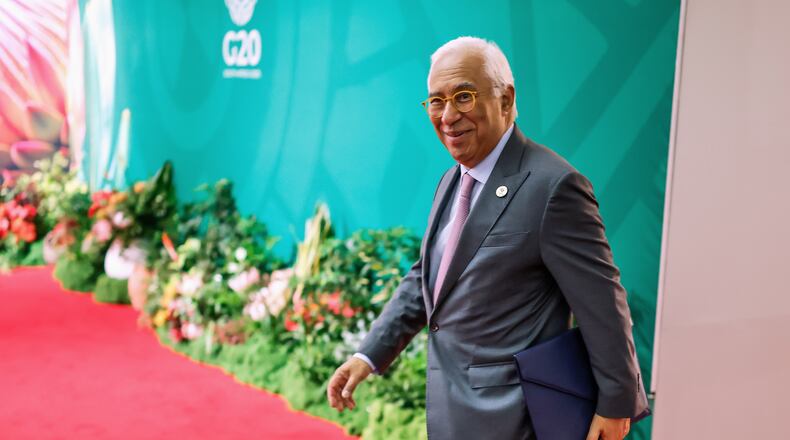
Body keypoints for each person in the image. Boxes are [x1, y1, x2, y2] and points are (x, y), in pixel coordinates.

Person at [327, 36, 648, 440]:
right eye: (436, 101)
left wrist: (616, 403)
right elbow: (427, 279)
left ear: (506, 100)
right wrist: (367, 355)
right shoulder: (451, 179)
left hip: (516, 420)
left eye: (463, 96)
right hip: (450, 414)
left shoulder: (554, 186)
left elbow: (603, 302)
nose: (447, 116)